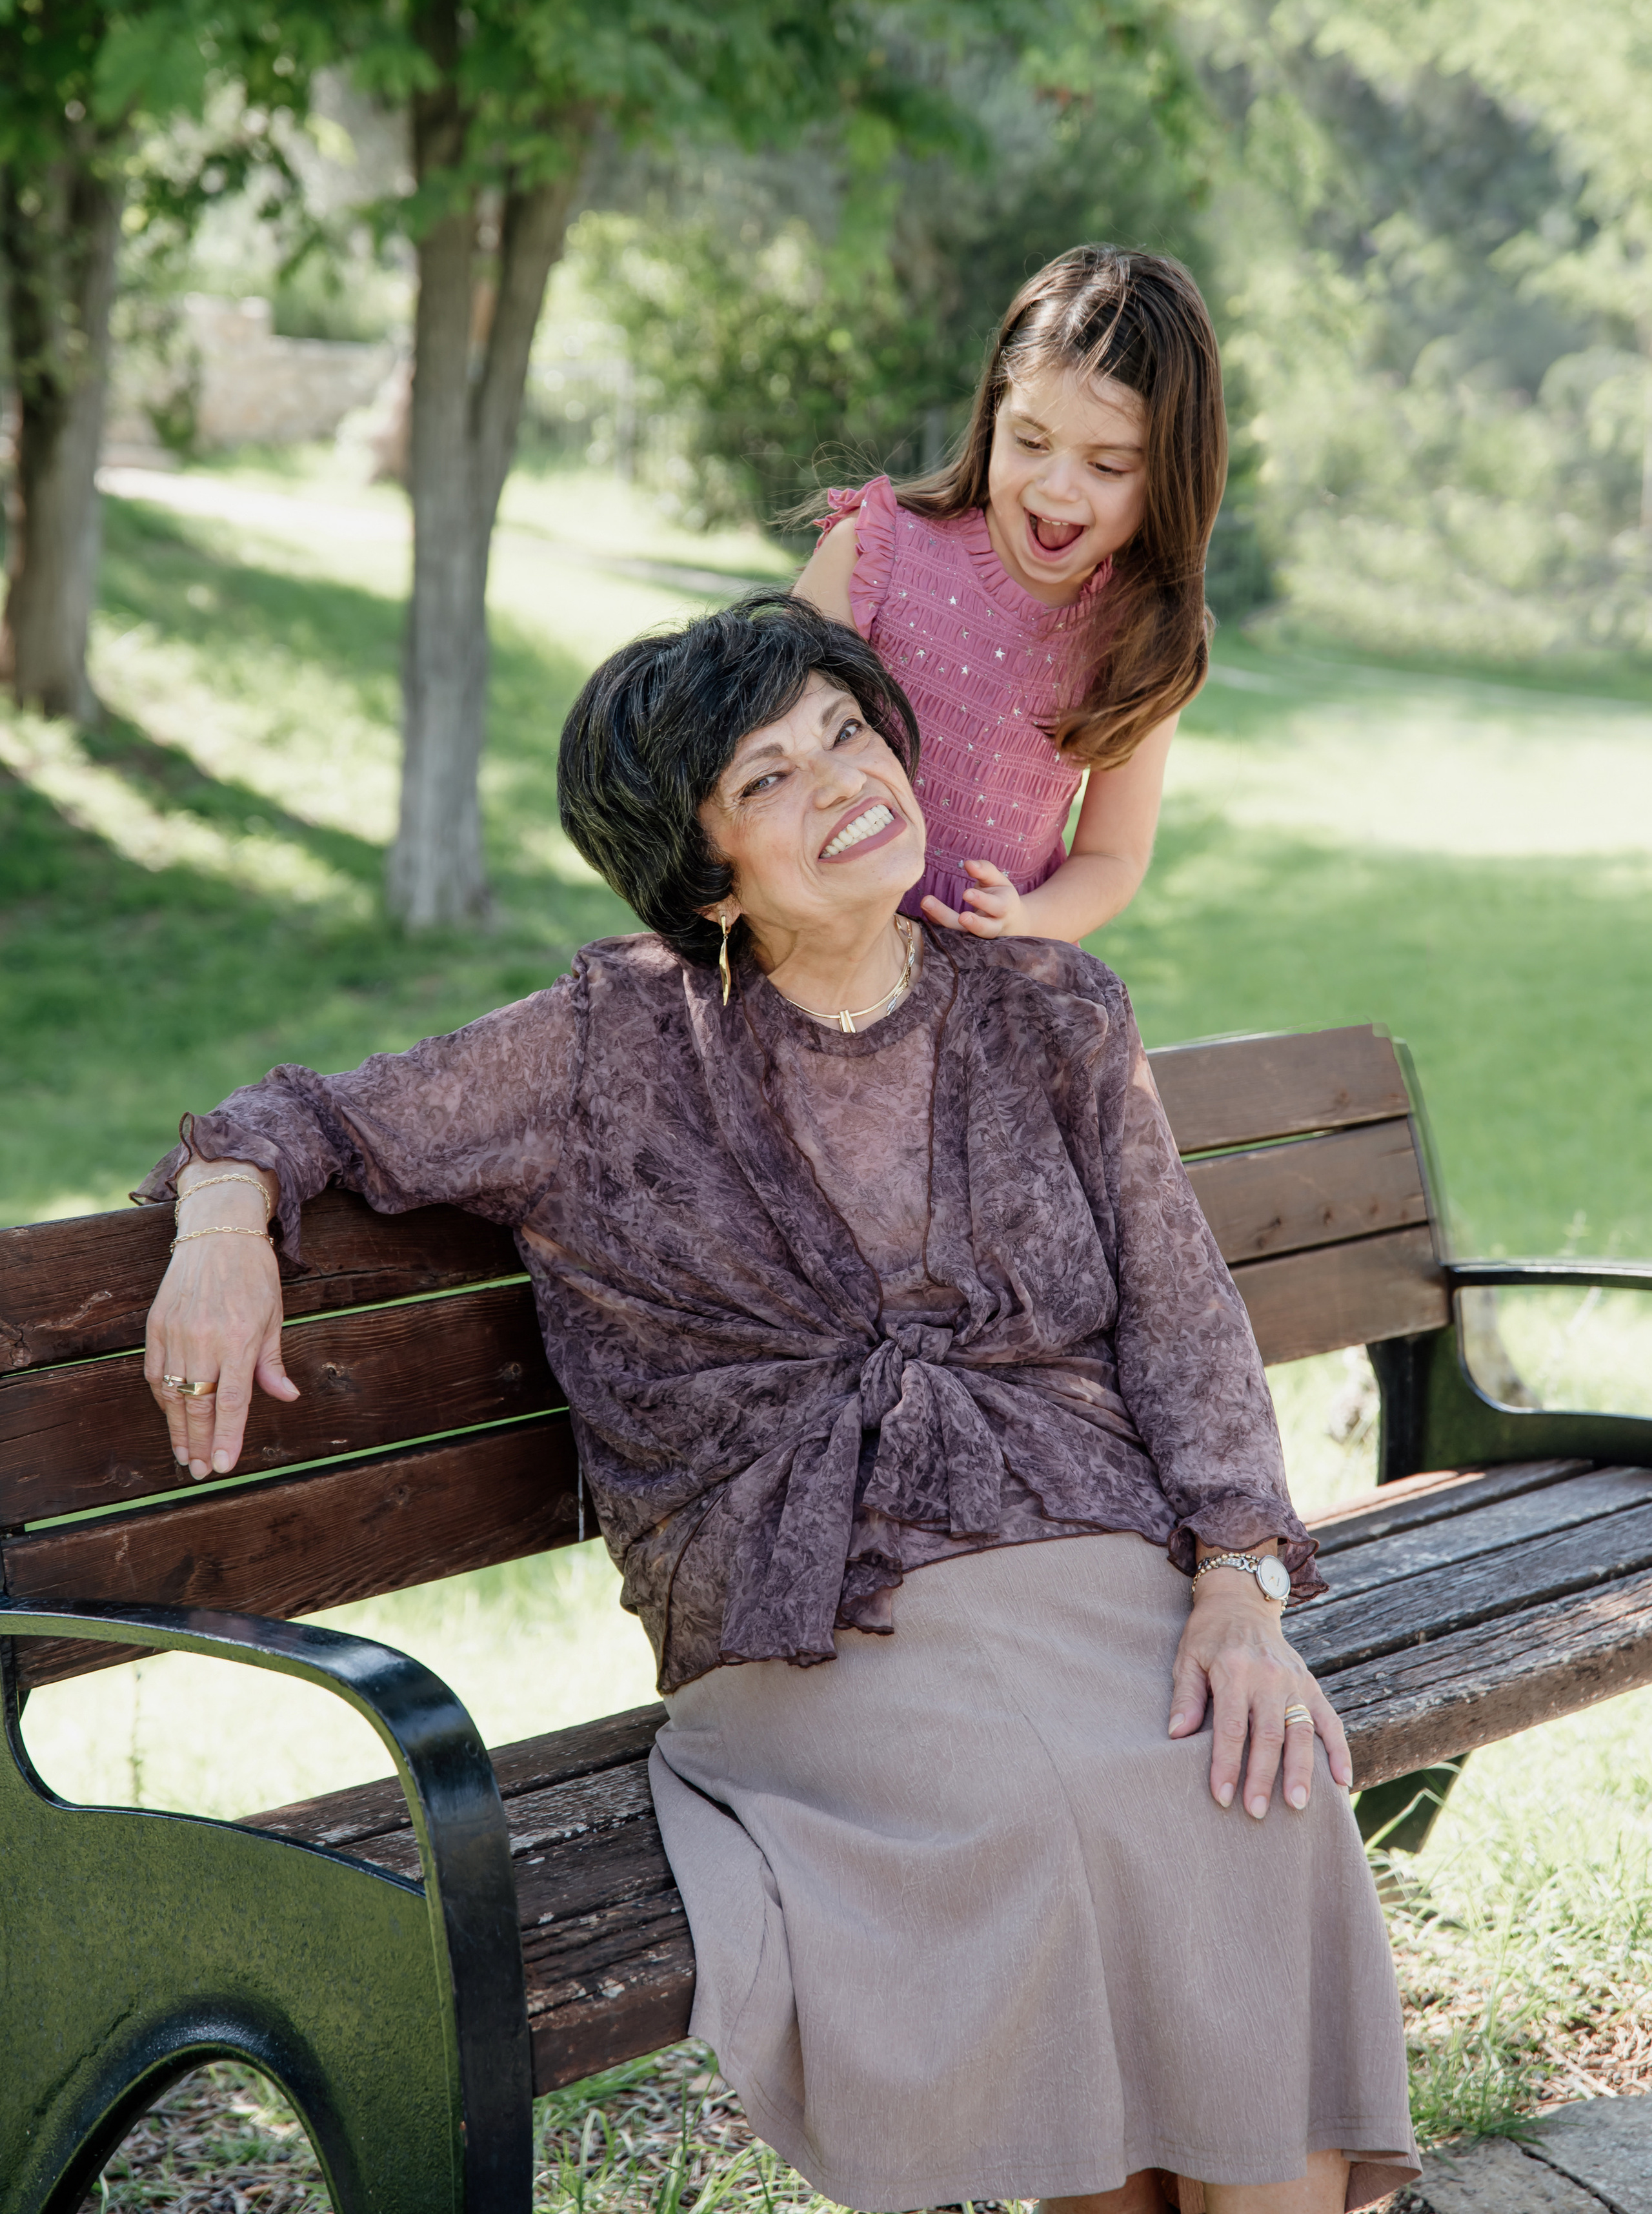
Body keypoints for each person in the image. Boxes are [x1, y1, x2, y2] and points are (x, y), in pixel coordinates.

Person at [139, 595, 1418, 2214]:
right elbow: (308, 1112)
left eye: (847, 731)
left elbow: (1180, 1312)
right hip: (810, 1622)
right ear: (700, 869)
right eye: (766, 774)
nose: (843, 780)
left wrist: (1238, 1581)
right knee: (1053, 1811)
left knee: (1244, 1775)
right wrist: (218, 1218)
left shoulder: (1048, 1007)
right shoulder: (603, 1043)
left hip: (1097, 1568)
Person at [794, 243, 1222, 945]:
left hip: (985, 981)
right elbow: (757, 743)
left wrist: (1028, 920)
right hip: (821, 937)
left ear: (1168, 477)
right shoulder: (875, 552)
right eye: (1029, 440)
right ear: (993, 417)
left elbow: (1112, 857)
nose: (1056, 487)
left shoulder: (1145, 638)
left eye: (1106, 465)